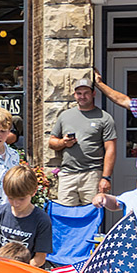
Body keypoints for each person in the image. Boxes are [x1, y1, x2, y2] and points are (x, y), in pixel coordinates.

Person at [47, 77, 117, 206]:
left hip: (92, 175)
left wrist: (105, 178)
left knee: (92, 215)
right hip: (68, 175)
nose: (82, 96)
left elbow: (111, 150)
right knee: (67, 217)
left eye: (86, 93)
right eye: (79, 93)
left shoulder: (105, 118)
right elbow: (51, 142)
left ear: (93, 94)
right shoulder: (65, 116)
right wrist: (63, 143)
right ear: (74, 95)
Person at [0, 166, 52, 267]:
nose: (16, 203)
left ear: (34, 191)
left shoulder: (42, 220)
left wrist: (21, 269)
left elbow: (40, 257)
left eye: (21, 199)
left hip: (24, 271)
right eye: (11, 198)